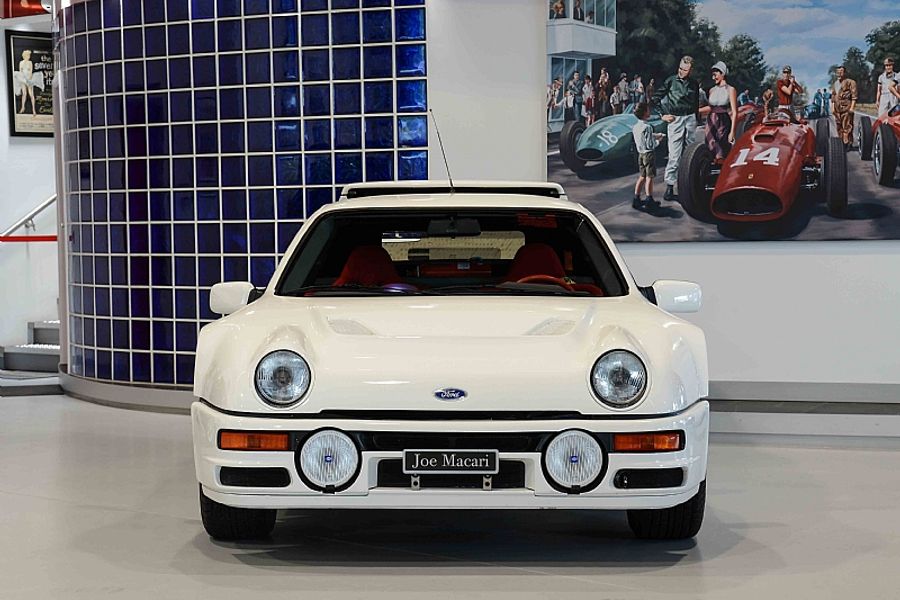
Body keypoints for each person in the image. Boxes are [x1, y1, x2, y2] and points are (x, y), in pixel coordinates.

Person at [652, 55, 700, 201]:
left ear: (690, 71)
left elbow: (696, 103)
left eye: (685, 70)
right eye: (680, 68)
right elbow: (655, 98)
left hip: (690, 118)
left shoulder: (694, 84)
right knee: (674, 155)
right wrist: (663, 115)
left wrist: (696, 119)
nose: (681, 72)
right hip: (675, 119)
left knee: (690, 152)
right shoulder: (671, 81)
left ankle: (689, 185)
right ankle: (670, 187)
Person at [699, 61, 738, 160]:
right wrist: (697, 110)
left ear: (723, 74)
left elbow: (734, 112)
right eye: (712, 75)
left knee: (721, 148)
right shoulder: (712, 90)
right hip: (711, 121)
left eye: (715, 75)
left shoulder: (731, 89)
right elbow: (710, 107)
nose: (713, 78)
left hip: (723, 121)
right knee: (710, 145)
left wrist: (732, 132)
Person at [631, 102, 666, 212]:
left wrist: (656, 135)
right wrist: (659, 141)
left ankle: (636, 198)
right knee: (650, 177)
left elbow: (644, 137)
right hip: (649, 154)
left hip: (640, 154)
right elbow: (650, 145)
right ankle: (649, 199)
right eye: (648, 110)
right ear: (645, 113)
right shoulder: (648, 127)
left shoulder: (636, 127)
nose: (649, 111)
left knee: (642, 176)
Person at [831, 65, 858, 151]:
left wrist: (852, 108)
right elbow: (833, 96)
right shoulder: (835, 84)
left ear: (845, 73)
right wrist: (832, 108)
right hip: (837, 109)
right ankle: (841, 144)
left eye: (841, 72)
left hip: (846, 108)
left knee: (847, 127)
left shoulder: (851, 82)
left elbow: (854, 97)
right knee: (839, 127)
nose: (839, 74)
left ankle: (848, 143)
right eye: (837, 72)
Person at [12, 49, 44, 117]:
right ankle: (22, 107)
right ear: (25, 56)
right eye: (28, 55)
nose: (29, 56)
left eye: (29, 55)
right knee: (24, 94)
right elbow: (20, 71)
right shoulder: (21, 62)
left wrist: (28, 79)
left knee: (31, 94)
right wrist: (23, 79)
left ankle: (33, 110)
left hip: (29, 79)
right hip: (23, 79)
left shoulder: (30, 62)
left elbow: (31, 72)